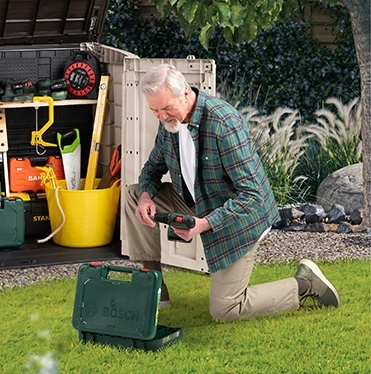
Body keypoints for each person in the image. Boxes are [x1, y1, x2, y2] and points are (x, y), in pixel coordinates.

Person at [123, 63, 340, 322]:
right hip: (198, 201)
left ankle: (306, 284)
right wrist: (147, 196)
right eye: (154, 110)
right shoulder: (170, 121)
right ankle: (154, 287)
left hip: (241, 216)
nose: (161, 115)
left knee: (226, 310)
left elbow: (252, 194)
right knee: (134, 194)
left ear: (185, 94)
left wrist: (204, 224)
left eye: (166, 108)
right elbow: (152, 168)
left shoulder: (223, 122)